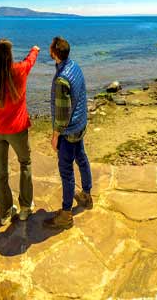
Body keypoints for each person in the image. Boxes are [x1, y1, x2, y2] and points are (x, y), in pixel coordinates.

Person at [0, 39, 41, 223]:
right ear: (10, 55)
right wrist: (34, 48)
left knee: (1, 172)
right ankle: (25, 208)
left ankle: (5, 213)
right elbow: (30, 60)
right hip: (17, 129)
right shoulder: (19, 70)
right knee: (25, 163)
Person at [45, 37, 92, 229]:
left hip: (69, 131)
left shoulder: (62, 79)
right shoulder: (74, 66)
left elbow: (62, 115)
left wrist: (55, 136)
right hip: (80, 124)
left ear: (54, 53)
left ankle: (66, 214)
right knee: (81, 158)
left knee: (66, 172)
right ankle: (86, 195)